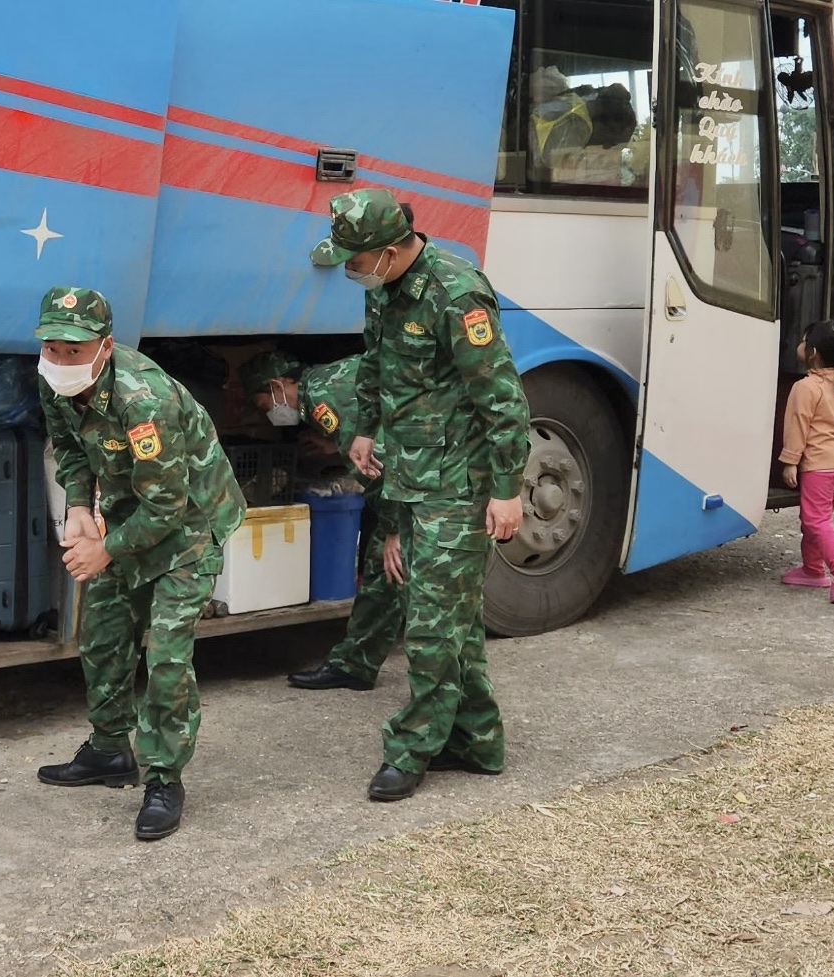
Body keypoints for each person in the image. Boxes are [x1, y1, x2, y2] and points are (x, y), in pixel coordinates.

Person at [311, 188, 531, 802]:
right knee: (449, 620)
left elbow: (503, 399)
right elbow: (377, 365)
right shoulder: (387, 291)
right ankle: (477, 739)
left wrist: (508, 491)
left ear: (387, 251)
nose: (350, 271)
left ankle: (412, 748)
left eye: (355, 260)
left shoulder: (457, 295)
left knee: (431, 625)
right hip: (411, 478)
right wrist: (362, 427)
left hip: (459, 486)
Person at [32, 285, 246, 841]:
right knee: (102, 634)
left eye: (74, 351)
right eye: (52, 347)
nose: (60, 361)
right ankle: (108, 752)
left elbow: (170, 506)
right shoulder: (54, 379)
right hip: (131, 513)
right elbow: (71, 449)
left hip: (191, 522)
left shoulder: (142, 399)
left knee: (169, 654)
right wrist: (80, 505)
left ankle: (164, 778)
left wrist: (104, 547)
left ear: (105, 347)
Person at [237, 351, 398, 693]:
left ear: (279, 385)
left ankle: (360, 665)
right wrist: (334, 446)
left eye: (263, 401)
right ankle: (356, 664)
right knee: (383, 575)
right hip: (412, 486)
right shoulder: (322, 388)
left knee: (393, 570)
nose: (266, 412)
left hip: (416, 492)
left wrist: (396, 528)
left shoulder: (324, 398)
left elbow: (380, 462)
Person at [779, 320, 834, 604]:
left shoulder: (806, 387)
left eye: (805, 341)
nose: (801, 345)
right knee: (817, 520)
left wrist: (790, 461)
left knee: (816, 520)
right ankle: (812, 570)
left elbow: (797, 426)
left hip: (818, 465)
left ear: (812, 352)